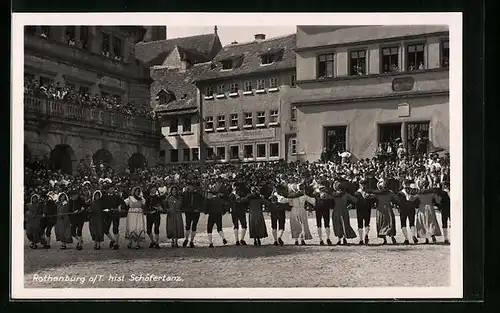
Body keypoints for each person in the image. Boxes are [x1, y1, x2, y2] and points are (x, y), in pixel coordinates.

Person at [371, 180, 399, 244]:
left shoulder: (377, 193)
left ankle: (385, 239)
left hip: (380, 209)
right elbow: (396, 198)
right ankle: (391, 236)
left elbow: (370, 197)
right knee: (390, 223)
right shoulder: (390, 193)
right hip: (388, 208)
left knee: (381, 223)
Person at [101, 184, 124, 250]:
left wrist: (119, 207)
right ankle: (112, 240)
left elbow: (122, 203)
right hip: (107, 215)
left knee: (115, 229)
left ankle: (116, 243)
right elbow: (102, 205)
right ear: (108, 190)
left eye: (113, 189)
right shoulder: (104, 197)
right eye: (111, 189)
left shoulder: (117, 197)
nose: (112, 190)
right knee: (105, 229)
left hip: (115, 214)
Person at [181, 183, 204, 248]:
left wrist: (199, 209)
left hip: (195, 212)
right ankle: (186, 239)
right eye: (189, 186)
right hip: (188, 211)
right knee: (188, 226)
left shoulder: (198, 194)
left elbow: (203, 201)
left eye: (191, 186)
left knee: (194, 226)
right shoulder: (185, 194)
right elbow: (181, 200)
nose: (190, 188)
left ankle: (191, 241)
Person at [354, 180, 376, 245]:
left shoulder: (357, 193)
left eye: (364, 184)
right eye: (362, 184)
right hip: (365, 209)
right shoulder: (367, 192)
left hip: (361, 210)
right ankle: (365, 236)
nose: (363, 186)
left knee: (361, 224)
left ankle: (361, 239)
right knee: (366, 223)